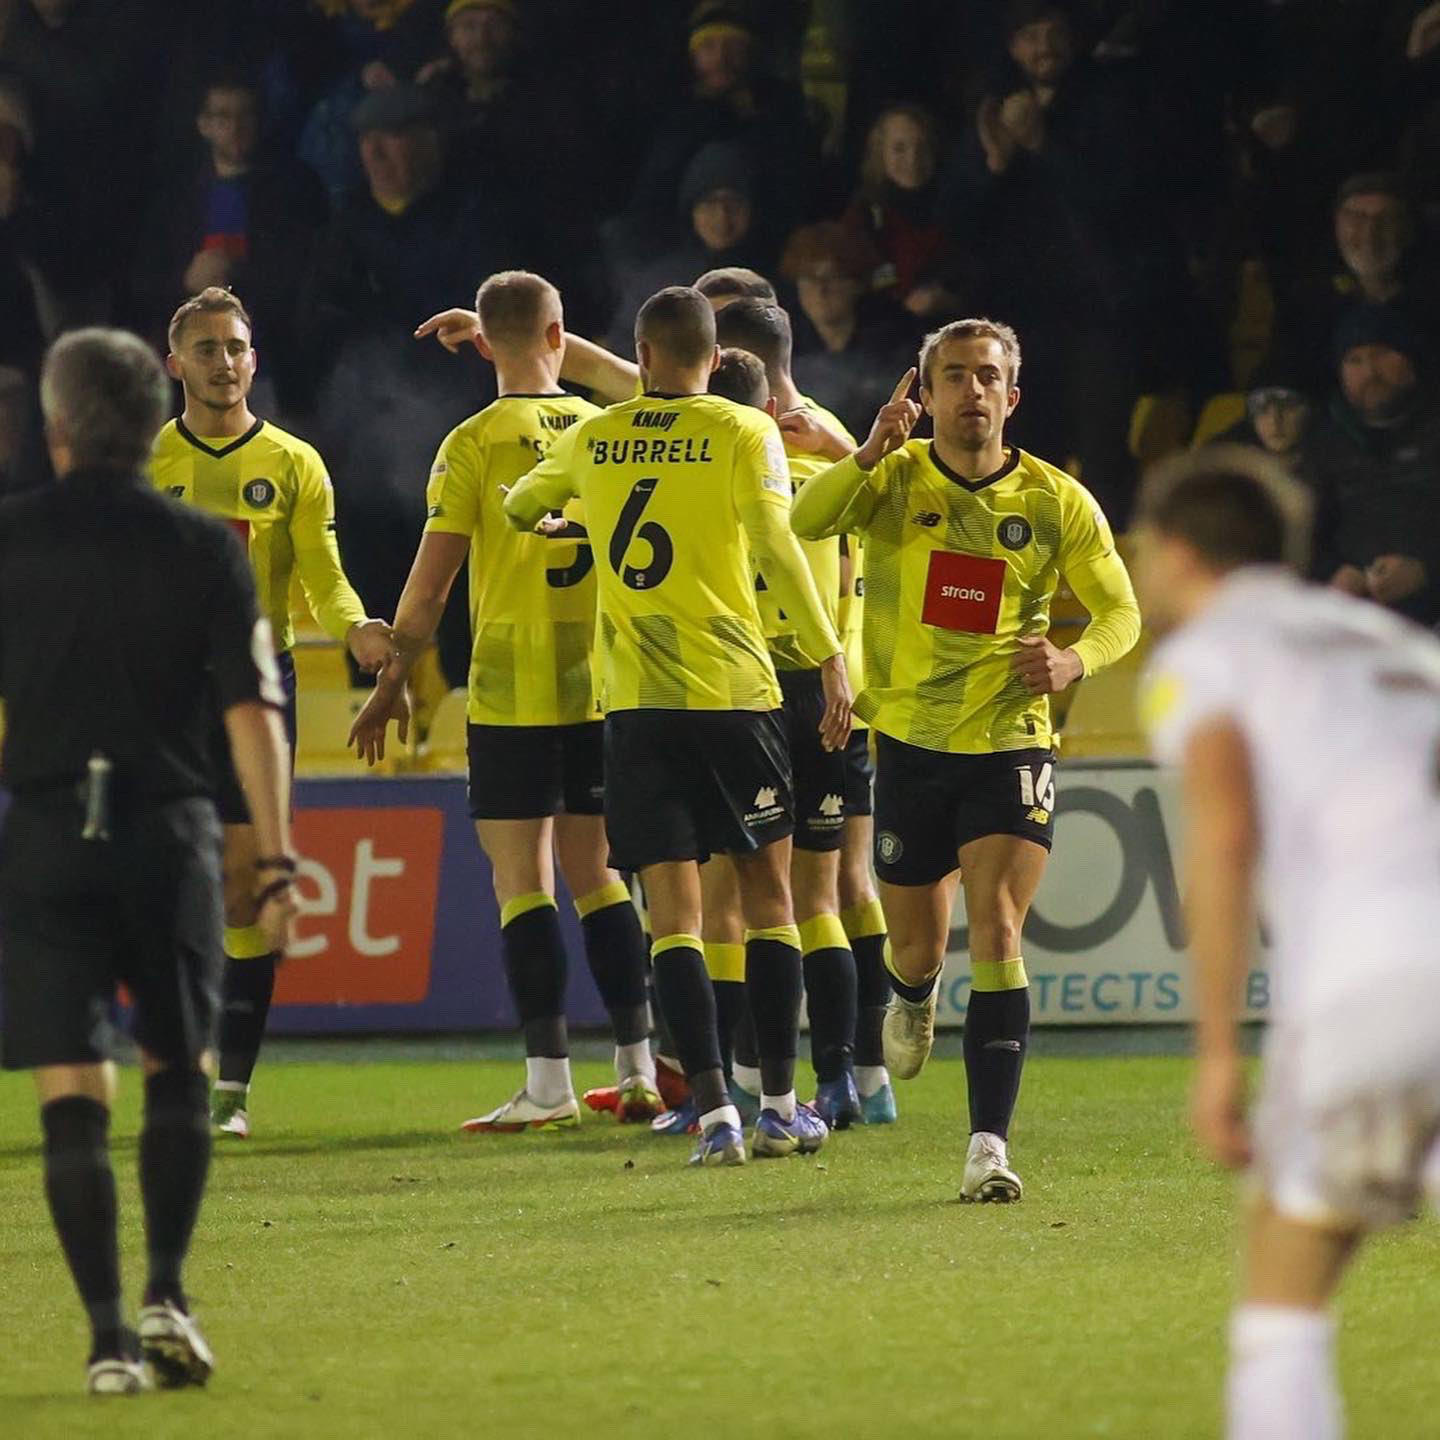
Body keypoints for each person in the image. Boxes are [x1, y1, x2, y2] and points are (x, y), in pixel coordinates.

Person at [0, 327, 298, 1393]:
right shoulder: (202, 544)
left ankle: (105, 1339)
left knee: (70, 1089)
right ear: (146, 420)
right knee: (181, 1066)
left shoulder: (10, 539)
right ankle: (169, 1288)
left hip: (41, 836)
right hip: (169, 832)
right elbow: (253, 711)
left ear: (58, 426)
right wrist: (276, 851)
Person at [792, 317, 1140, 1200]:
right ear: (927, 391)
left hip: (1010, 741)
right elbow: (805, 517)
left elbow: (1121, 613)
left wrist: (1073, 660)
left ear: (1011, 397)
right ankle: (913, 995)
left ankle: (988, 1144)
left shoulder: (1057, 501)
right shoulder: (893, 478)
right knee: (913, 946)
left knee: (998, 927)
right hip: (908, 742)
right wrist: (868, 451)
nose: (972, 391)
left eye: (988, 377)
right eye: (954, 377)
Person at [504, 286, 851, 1166]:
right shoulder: (745, 433)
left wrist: (573, 510)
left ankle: (712, 1114)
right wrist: (827, 653)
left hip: (638, 707)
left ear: (644, 355)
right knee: (771, 901)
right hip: (738, 692)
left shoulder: (594, 436)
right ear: (715, 358)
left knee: (676, 920)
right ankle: (778, 1104)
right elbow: (776, 544)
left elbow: (517, 508)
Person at [1134, 445, 1440, 1440]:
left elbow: (1225, 839)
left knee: (1283, 1297)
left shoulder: (1209, 653)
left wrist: (1217, 1053)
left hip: (1380, 985)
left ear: (1178, 554)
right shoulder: (1388, 639)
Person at [348, 270, 659, 1131]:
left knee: (524, 881)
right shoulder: (612, 429)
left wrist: (391, 681)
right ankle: (637, 1067)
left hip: (513, 690)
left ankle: (549, 1084)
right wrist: (557, 341)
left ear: (481, 344)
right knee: (601, 879)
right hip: (603, 686)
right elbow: (655, 385)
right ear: (559, 332)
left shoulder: (474, 442)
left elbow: (430, 587)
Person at [151, 286, 391, 1138]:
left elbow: (322, 576)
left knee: (250, 892)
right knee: (170, 886)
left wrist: (358, 626)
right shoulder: (151, 464)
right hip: (166, 694)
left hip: (259, 688)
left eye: (239, 347)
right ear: (175, 364)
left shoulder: (293, 463)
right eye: (208, 348)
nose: (226, 362)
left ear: (254, 358)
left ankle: (231, 1093)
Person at [712, 298, 896, 1128]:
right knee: (825, 892)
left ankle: (750, 1078)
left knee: (760, 897)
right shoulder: (834, 455)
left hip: (757, 687)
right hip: (838, 689)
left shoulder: (730, 458)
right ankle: (849, 1077)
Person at [134, 72, 328, 414]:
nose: (235, 127)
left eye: (244, 116)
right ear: (204, 124)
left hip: (273, 364)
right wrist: (185, 281)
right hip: (192, 371)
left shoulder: (295, 188)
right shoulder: (176, 196)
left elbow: (308, 275)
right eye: (223, 117)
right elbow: (144, 279)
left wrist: (238, 276)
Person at [1307, 305, 1440, 627]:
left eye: (1381, 354)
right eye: (1355, 360)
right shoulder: (1323, 440)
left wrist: (1427, 571)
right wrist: (1334, 572)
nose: (1369, 371)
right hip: (1353, 619)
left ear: (1410, 361)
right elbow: (1301, 530)